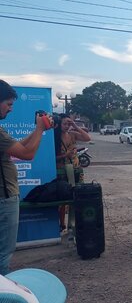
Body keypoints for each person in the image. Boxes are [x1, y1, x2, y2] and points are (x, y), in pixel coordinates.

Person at [0, 80, 52, 275]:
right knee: (3, 254)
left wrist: (36, 131)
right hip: (4, 199)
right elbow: (27, 155)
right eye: (9, 104)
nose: (11, 109)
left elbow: (16, 149)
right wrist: (39, 129)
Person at [53, 113, 91, 230]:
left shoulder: (72, 134)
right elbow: (51, 158)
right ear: (59, 124)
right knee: (62, 198)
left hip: (75, 170)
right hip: (61, 170)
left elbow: (87, 138)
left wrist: (75, 125)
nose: (66, 126)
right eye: (64, 123)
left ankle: (73, 224)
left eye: (68, 123)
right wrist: (65, 155)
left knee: (76, 196)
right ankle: (61, 224)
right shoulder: (55, 137)